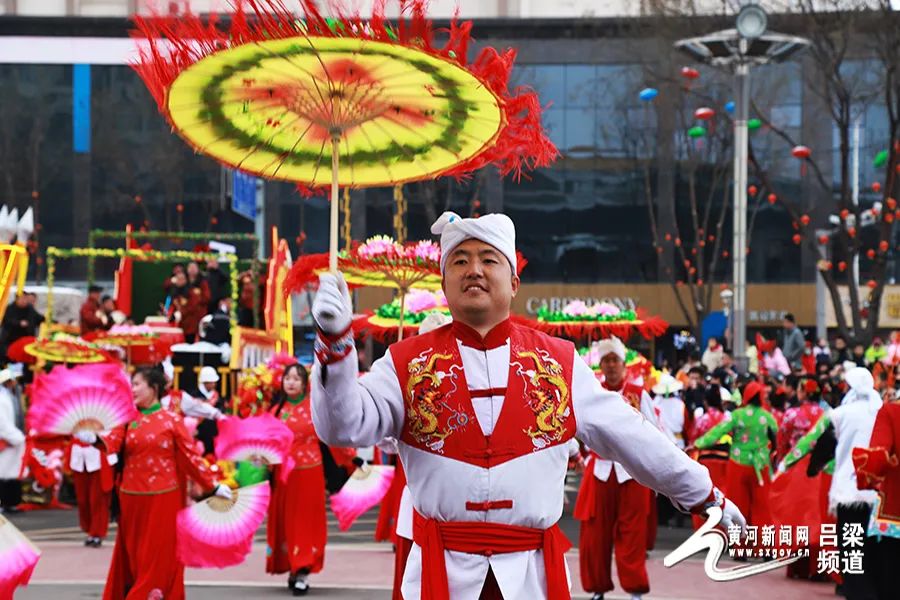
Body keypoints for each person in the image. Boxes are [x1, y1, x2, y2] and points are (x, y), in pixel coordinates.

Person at [309, 211, 745, 600]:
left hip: (530, 579)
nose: (473, 270)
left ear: (513, 282)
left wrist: (707, 497)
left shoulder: (558, 362)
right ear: (443, 282)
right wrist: (335, 346)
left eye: (488, 259)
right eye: (459, 261)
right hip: (438, 576)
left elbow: (633, 438)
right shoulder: (406, 363)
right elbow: (343, 426)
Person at [85, 367, 231, 600]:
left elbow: (190, 457)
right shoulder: (127, 419)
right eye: (131, 384)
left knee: (158, 554)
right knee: (133, 554)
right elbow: (111, 441)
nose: (132, 389)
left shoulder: (172, 421)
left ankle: (146, 594)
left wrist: (212, 485)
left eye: (137, 384)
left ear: (153, 388)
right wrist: (93, 438)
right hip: (130, 498)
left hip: (164, 497)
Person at [574, 336, 660, 600]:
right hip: (598, 470)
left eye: (615, 360)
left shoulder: (638, 393)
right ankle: (597, 588)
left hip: (631, 473)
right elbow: (576, 426)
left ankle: (635, 590)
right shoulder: (593, 393)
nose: (610, 366)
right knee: (594, 534)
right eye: (606, 361)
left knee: (632, 534)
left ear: (624, 364)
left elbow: (655, 432)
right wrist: (578, 456)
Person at [266, 363, 326, 596]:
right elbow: (267, 444)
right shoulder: (275, 412)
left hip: (310, 474)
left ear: (305, 383)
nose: (291, 382)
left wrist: (352, 460)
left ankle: (303, 570)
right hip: (284, 477)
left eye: (296, 378)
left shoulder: (315, 408)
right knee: (287, 523)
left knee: (305, 523)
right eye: (287, 378)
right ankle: (293, 567)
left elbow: (332, 436)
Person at [692, 380, 777, 528]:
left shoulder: (737, 415)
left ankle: (741, 546)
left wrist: (697, 444)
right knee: (762, 507)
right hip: (761, 466)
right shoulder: (767, 417)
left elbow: (718, 432)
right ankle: (763, 546)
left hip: (738, 464)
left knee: (739, 505)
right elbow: (777, 437)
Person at [69, 419, 118, 547]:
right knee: (82, 499)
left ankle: (97, 533)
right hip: (79, 455)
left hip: (98, 453)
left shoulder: (104, 408)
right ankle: (89, 528)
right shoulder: (74, 407)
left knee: (98, 499)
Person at [0, 369, 24, 513]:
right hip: (7, 439)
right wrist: (17, 437)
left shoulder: (9, 395)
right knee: (4, 474)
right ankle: (6, 503)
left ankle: (10, 503)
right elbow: (2, 423)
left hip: (12, 438)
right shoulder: (3, 398)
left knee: (11, 473)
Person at [0, 291, 43, 360]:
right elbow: (6, 321)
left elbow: (38, 318)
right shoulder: (9, 308)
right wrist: (19, 323)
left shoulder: (30, 309)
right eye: (22, 299)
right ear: (16, 299)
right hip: (10, 341)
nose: (24, 301)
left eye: (25, 299)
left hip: (26, 341)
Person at [192, 366, 224, 456]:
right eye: (211, 382)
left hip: (213, 431)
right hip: (199, 431)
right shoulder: (194, 395)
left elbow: (221, 411)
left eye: (214, 382)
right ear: (205, 382)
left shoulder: (217, 397)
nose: (214, 384)